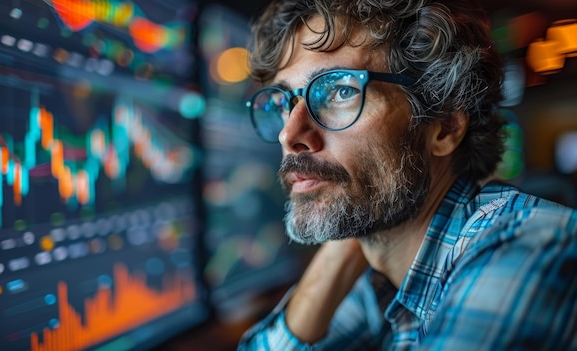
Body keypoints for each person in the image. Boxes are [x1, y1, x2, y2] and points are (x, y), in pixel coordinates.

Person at [237, 0, 577, 349]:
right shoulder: (381, 275)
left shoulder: (529, 246)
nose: (289, 135)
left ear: (443, 126)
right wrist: (341, 240)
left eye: (340, 91)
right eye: (284, 103)